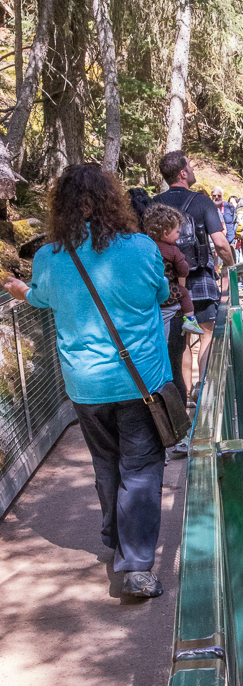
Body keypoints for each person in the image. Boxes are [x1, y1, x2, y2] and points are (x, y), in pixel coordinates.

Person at [3, 163, 172, 599]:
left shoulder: (48, 257)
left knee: (106, 462)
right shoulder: (141, 247)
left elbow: (40, 298)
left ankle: (115, 538)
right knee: (140, 467)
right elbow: (160, 294)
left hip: (85, 385)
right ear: (112, 200)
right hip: (141, 381)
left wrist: (15, 287)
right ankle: (135, 565)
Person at [152, 152, 234, 385]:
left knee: (181, 339)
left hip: (167, 282)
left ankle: (185, 393)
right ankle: (204, 392)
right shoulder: (201, 201)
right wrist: (232, 266)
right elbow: (220, 243)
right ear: (182, 172)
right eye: (190, 165)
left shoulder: (155, 203)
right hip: (199, 277)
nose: (193, 169)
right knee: (207, 333)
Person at [141, 203, 203, 339]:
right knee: (184, 293)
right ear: (166, 233)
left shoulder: (145, 245)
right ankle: (190, 320)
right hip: (168, 292)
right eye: (177, 232)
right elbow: (183, 271)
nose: (178, 234)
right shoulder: (173, 250)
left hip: (148, 292)